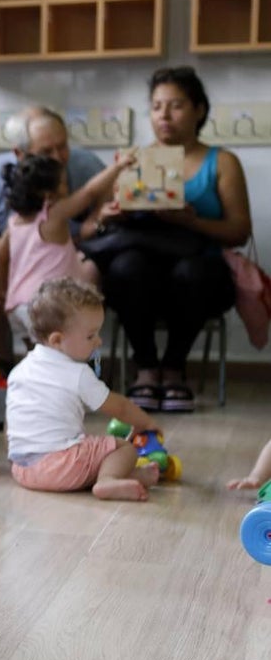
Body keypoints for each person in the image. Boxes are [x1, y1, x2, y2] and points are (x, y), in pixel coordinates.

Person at [86, 67, 251, 414]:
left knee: (192, 273)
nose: (164, 115)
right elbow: (93, 225)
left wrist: (193, 221)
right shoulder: (132, 159)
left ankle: (174, 369)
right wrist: (113, 215)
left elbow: (239, 231)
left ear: (199, 110)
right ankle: (145, 368)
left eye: (175, 105)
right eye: (157, 106)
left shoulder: (221, 161)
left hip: (200, 271)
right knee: (127, 266)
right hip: (140, 269)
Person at [0, 107, 107, 365]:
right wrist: (33, 248)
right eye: (46, 151)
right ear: (20, 153)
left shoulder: (87, 165)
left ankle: (75, 365)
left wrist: (94, 222)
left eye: (63, 147)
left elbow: (101, 198)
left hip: (60, 269)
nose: (59, 158)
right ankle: (3, 362)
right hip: (29, 273)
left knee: (90, 269)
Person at [6, 279, 164, 501]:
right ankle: (107, 481)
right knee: (123, 449)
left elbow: (11, 425)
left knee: (83, 454)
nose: (98, 341)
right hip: (61, 467)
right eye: (91, 336)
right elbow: (119, 406)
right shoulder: (77, 373)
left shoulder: (19, 371)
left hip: (22, 470)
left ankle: (133, 476)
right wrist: (144, 422)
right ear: (57, 340)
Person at [0, 151, 135, 349]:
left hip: (17, 307)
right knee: (56, 362)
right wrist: (118, 167)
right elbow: (89, 192)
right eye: (63, 182)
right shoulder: (53, 215)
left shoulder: (15, 223)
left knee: (35, 360)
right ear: (48, 194)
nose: (67, 187)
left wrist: (0, 291)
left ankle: (30, 381)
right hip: (46, 306)